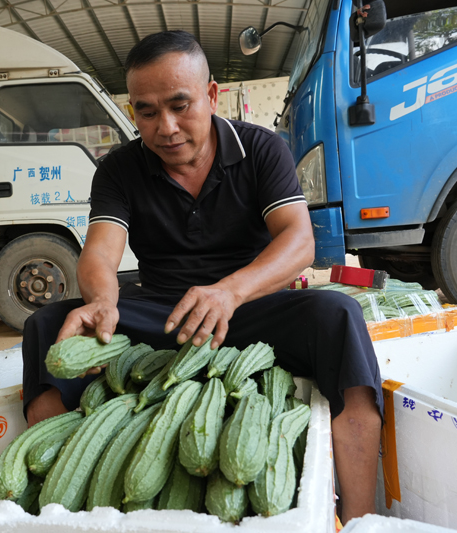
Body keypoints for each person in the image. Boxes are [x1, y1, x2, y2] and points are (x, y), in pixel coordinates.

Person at [21, 31, 383, 523]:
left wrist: (230, 291)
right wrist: (103, 301)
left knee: (338, 314)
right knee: (46, 325)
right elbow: (100, 253)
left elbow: (299, 242)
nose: (165, 127)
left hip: (251, 310)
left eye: (179, 105)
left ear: (211, 96)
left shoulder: (261, 149)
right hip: (163, 317)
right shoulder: (119, 170)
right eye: (147, 111)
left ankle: (360, 518)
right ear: (133, 112)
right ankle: (63, 499)